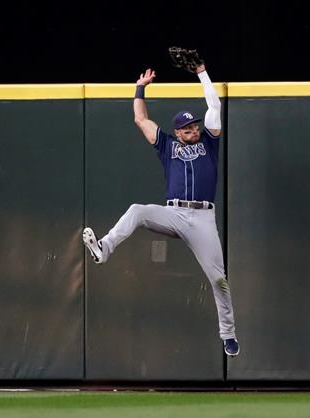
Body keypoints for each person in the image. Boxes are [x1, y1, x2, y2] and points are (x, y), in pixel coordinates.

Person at [82, 62, 239, 357]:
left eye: (195, 126)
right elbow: (140, 119)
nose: (194, 130)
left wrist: (201, 72)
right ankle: (103, 248)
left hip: (203, 218)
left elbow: (215, 105)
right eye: (189, 128)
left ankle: (228, 334)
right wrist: (140, 87)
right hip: (174, 213)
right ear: (178, 132)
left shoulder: (210, 142)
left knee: (218, 278)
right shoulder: (167, 144)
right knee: (137, 210)